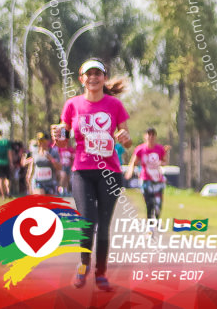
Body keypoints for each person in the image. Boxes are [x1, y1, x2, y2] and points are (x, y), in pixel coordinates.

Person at [51, 58, 131, 292]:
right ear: (81, 78)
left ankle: (102, 274)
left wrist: (125, 138)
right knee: (87, 221)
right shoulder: (72, 105)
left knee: (104, 224)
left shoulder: (115, 105)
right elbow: (63, 139)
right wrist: (59, 139)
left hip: (110, 173)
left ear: (104, 78)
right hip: (82, 171)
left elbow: (126, 136)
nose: (93, 77)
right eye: (89, 74)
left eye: (98, 73)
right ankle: (83, 265)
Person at [126, 128, 168, 226]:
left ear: (155, 137)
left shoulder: (160, 149)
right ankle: (150, 222)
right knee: (149, 202)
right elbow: (133, 162)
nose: (151, 137)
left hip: (158, 180)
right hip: (145, 179)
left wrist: (161, 162)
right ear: (145, 136)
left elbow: (165, 162)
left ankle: (157, 219)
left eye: (153, 135)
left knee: (158, 202)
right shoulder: (140, 149)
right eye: (149, 135)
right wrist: (130, 172)